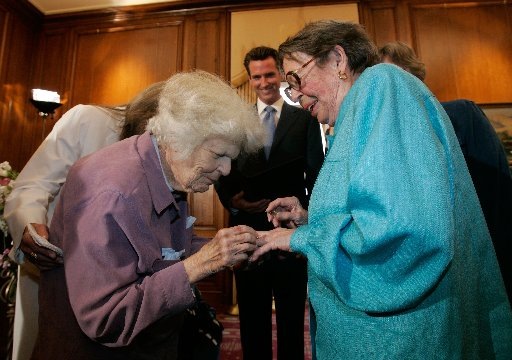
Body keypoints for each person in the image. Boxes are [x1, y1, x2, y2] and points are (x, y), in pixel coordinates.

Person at [250, 20, 512, 359]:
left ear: (338, 59)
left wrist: (299, 239)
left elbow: (403, 232)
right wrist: (309, 219)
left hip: (398, 341)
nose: (296, 97)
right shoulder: (362, 108)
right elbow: (381, 207)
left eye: (296, 79)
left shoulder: (380, 84)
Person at [31, 69, 266, 359]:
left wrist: (232, 247)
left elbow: (164, 250)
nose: (227, 170)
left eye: (232, 158)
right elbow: (106, 319)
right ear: (182, 139)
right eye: (218, 155)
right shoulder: (113, 194)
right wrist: (201, 264)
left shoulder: (169, 169)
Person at [4, 81, 165, 360]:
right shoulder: (88, 119)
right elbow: (31, 186)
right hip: (52, 270)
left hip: (114, 287)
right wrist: (31, 227)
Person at [379, 41, 512, 300]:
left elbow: (497, 191)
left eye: (392, 75)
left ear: (413, 74)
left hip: (482, 254)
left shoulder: (462, 115)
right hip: (428, 270)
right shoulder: (387, 137)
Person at [215, 46, 324, 360]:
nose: (264, 82)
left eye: (270, 74)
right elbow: (225, 172)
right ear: (250, 79)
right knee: (252, 314)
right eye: (257, 76)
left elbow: (316, 172)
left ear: (281, 73)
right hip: (247, 231)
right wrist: (235, 203)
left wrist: (309, 216)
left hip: (291, 232)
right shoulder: (236, 123)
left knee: (291, 314)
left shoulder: (304, 118)